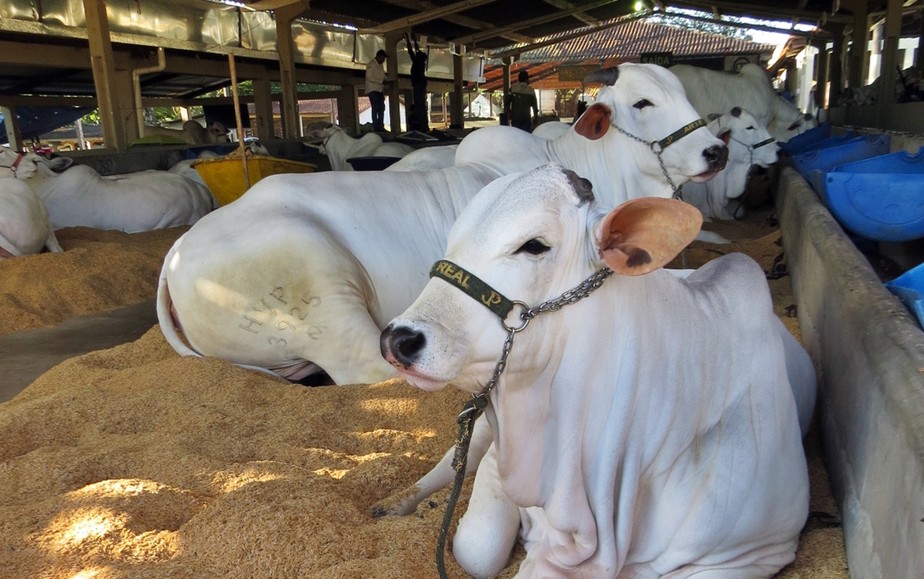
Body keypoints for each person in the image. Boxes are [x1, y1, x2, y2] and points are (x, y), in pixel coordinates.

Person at [405, 32, 429, 132]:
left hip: (418, 86)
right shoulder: (420, 62)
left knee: (419, 107)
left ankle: (423, 127)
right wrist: (413, 38)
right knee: (421, 107)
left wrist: (408, 39)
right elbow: (416, 49)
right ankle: (424, 127)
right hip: (421, 85)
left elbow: (412, 50)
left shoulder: (417, 62)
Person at [365, 49, 388, 132]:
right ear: (379, 56)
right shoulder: (371, 65)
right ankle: (376, 127)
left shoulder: (380, 65)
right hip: (373, 89)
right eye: (383, 58)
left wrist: (387, 79)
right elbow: (369, 77)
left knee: (381, 108)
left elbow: (382, 75)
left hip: (379, 90)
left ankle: (380, 126)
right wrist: (381, 81)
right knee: (375, 108)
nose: (384, 60)